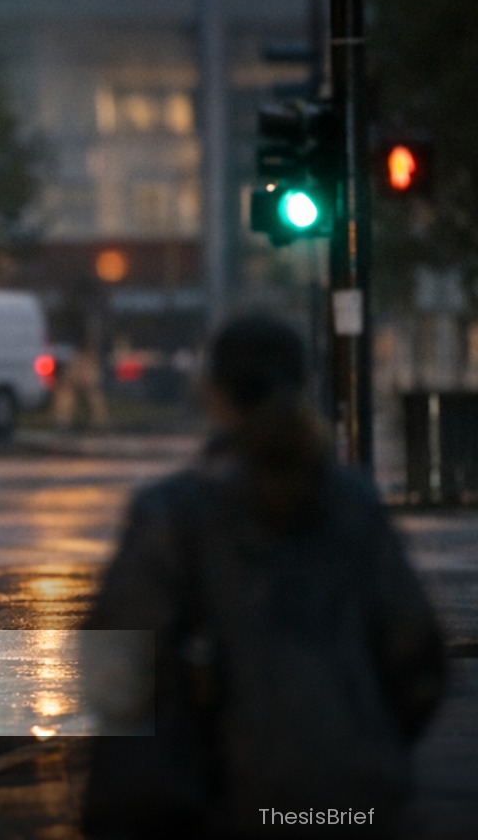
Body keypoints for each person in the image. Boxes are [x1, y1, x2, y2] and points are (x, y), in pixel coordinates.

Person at [81, 312, 446, 838]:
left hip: (221, 800)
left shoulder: (174, 513)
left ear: (213, 394)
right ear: (303, 387)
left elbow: (119, 667)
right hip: (355, 800)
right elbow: (417, 658)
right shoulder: (354, 506)